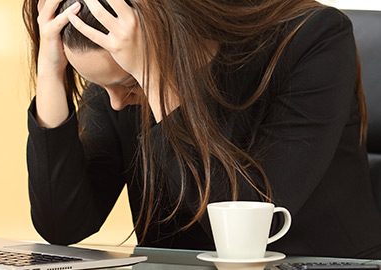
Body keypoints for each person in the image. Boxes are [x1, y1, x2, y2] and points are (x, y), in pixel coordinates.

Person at [23, 0, 381, 258]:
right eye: (102, 87)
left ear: (169, 40)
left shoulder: (313, 38)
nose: (115, 103)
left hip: (310, 260)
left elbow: (248, 233)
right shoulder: (119, 74)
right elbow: (63, 226)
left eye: (128, 84)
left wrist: (155, 81)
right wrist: (51, 73)